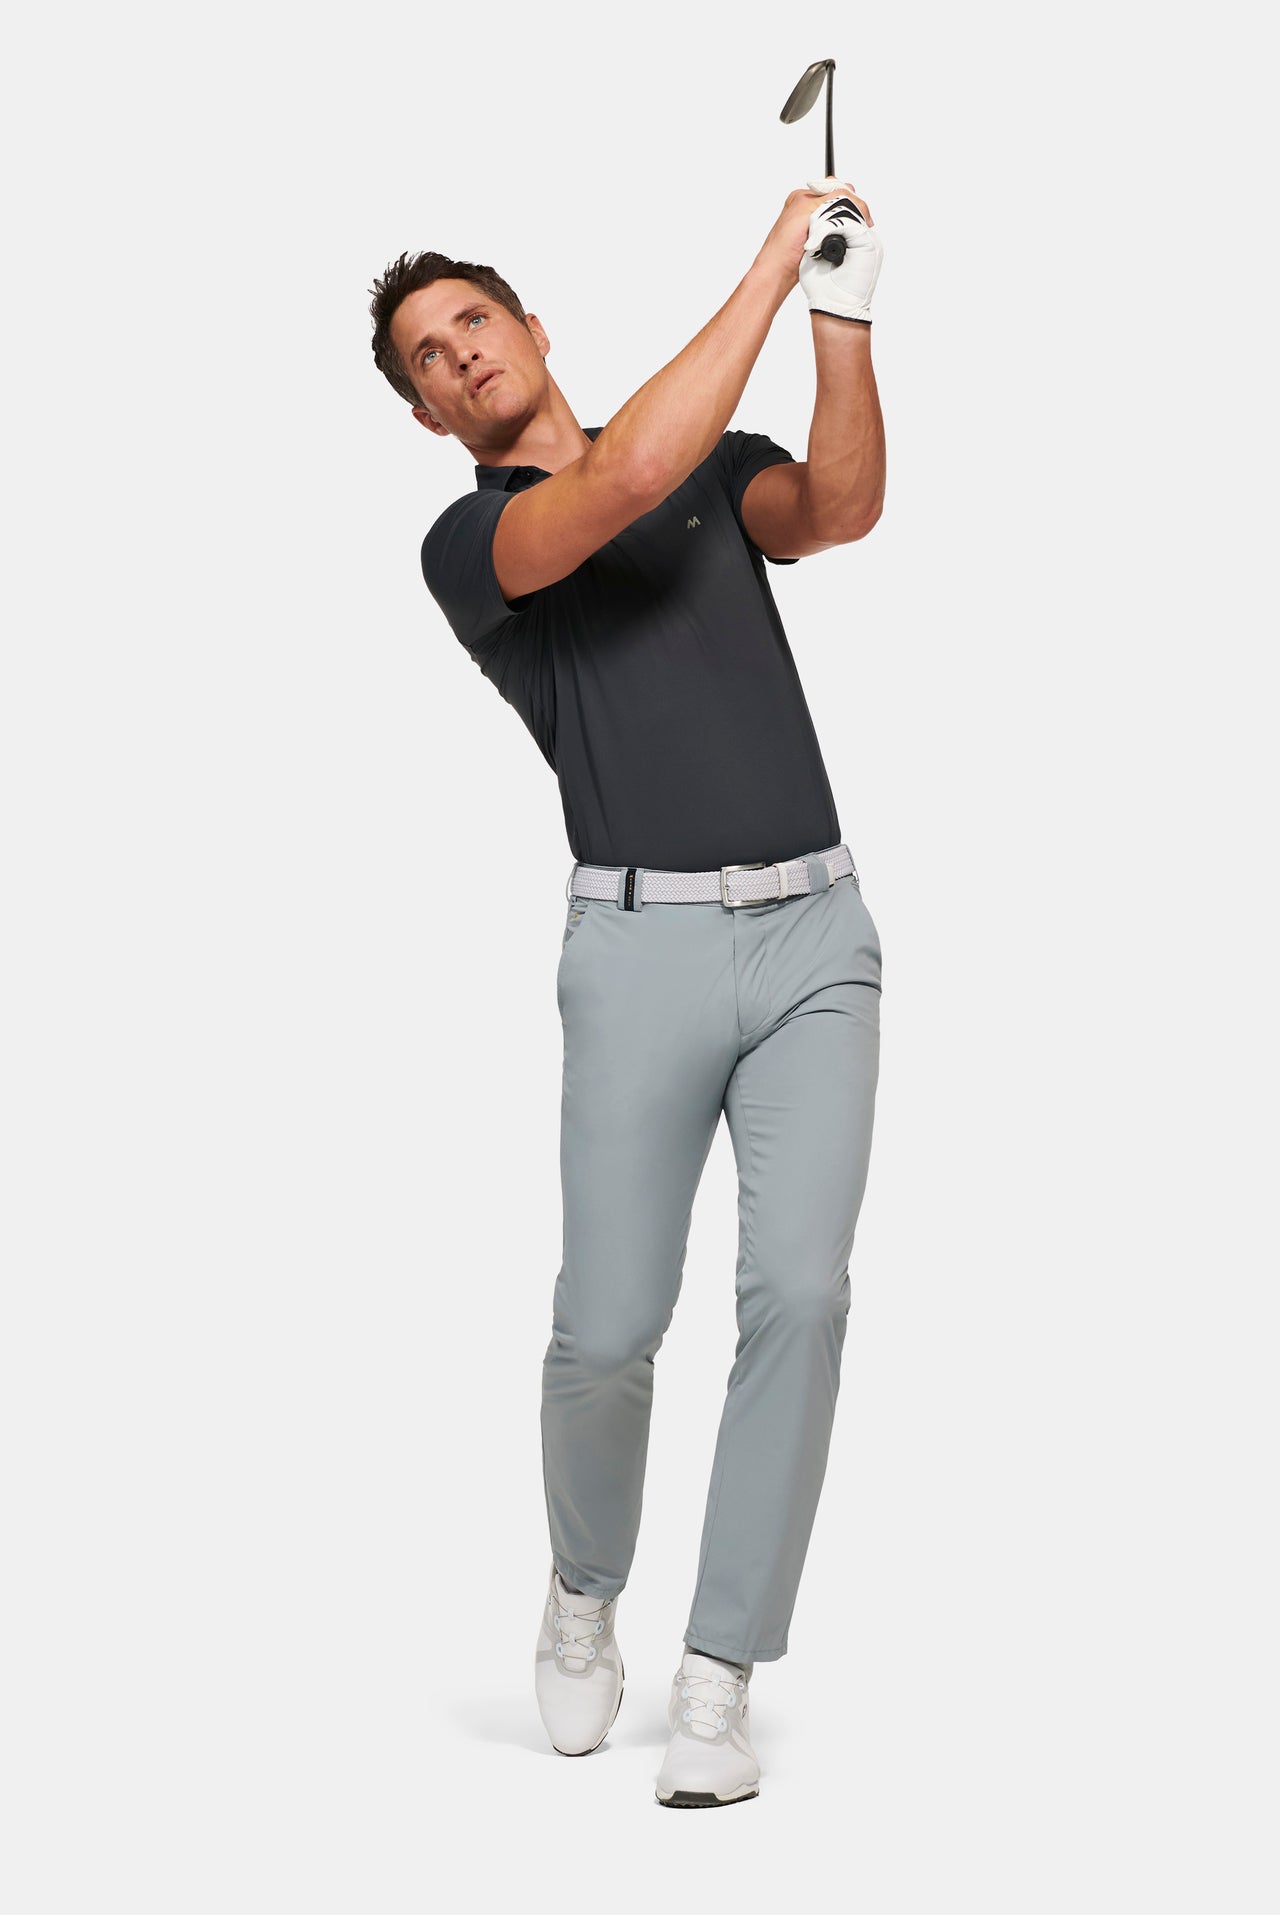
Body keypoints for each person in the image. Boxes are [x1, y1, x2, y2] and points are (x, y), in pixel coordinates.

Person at [368, 181, 886, 1808]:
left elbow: (841, 506)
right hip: (641, 948)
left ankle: (721, 1671)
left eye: (473, 322)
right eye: (428, 358)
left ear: (533, 328)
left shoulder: (714, 465)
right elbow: (626, 476)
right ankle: (584, 1588)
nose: (460, 355)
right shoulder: (476, 547)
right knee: (607, 1327)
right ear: (425, 416)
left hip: (817, 940)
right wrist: (769, 261)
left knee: (799, 1298)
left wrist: (841, 312)